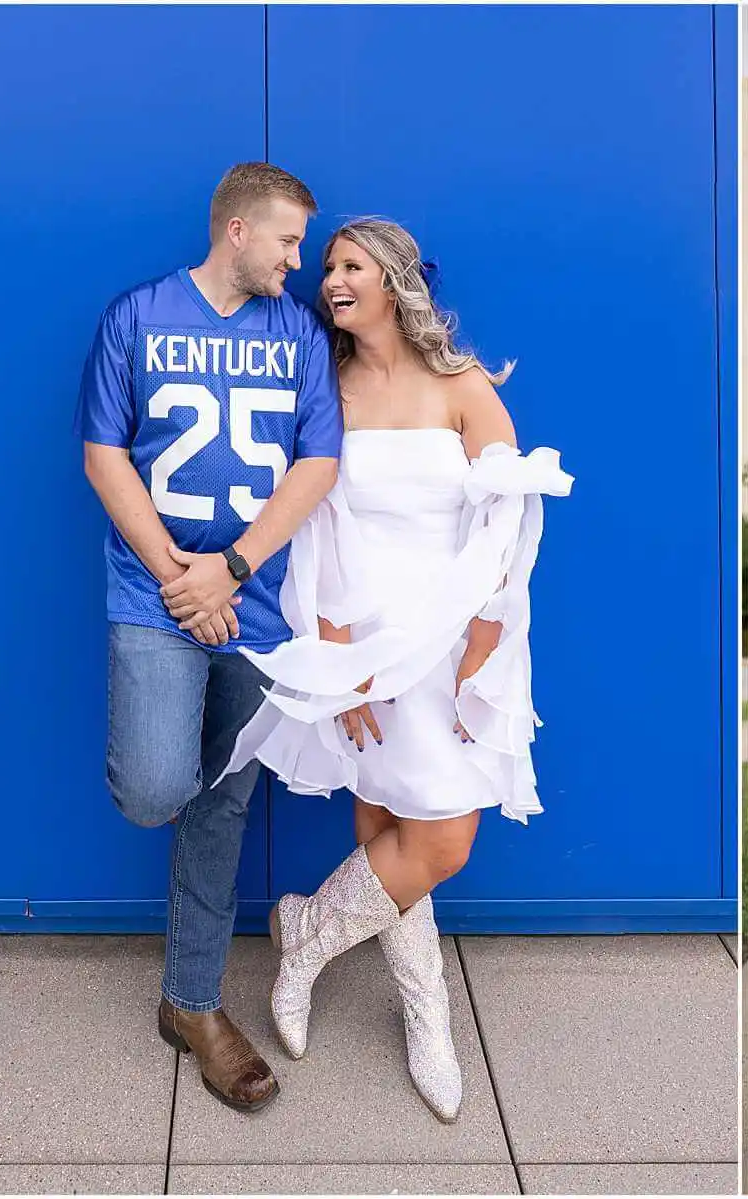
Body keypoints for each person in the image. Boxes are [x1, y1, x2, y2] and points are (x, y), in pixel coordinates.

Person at [217, 218, 573, 1123]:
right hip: (358, 638)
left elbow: (509, 515)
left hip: (447, 636)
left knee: (439, 840)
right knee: (386, 823)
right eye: (327, 265)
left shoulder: (461, 385)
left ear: (396, 281)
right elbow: (313, 514)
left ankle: (306, 937)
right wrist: (336, 643)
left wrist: (489, 632)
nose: (332, 279)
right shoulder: (325, 386)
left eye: (350, 265)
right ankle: (427, 1014)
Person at [78, 162, 343, 1114]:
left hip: (256, 605)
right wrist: (178, 577)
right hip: (159, 599)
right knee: (158, 789)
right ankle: (189, 988)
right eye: (288, 241)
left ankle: (190, 1003)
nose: (297, 260)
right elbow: (104, 452)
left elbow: (319, 458)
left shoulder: (300, 332)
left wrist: (228, 569)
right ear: (238, 231)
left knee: (224, 807)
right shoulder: (137, 317)